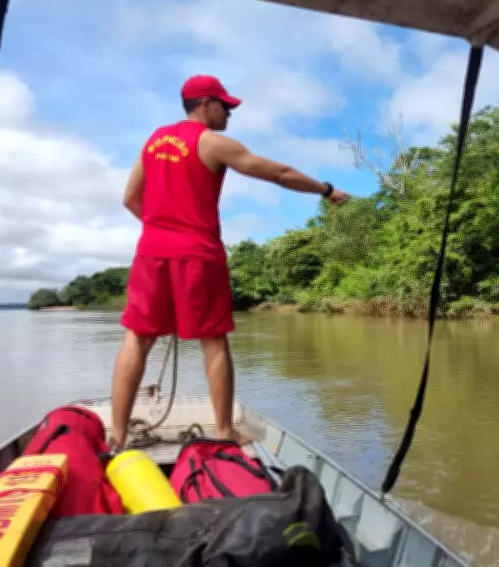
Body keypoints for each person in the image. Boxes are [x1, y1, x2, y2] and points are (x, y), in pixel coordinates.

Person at [109, 74, 349, 448]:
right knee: (213, 342)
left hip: (151, 253)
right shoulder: (212, 143)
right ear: (205, 104)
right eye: (226, 106)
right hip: (197, 255)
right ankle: (224, 431)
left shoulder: (153, 142)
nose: (230, 114)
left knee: (137, 339)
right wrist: (327, 190)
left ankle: (117, 436)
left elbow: (130, 199)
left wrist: (162, 229)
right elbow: (279, 174)